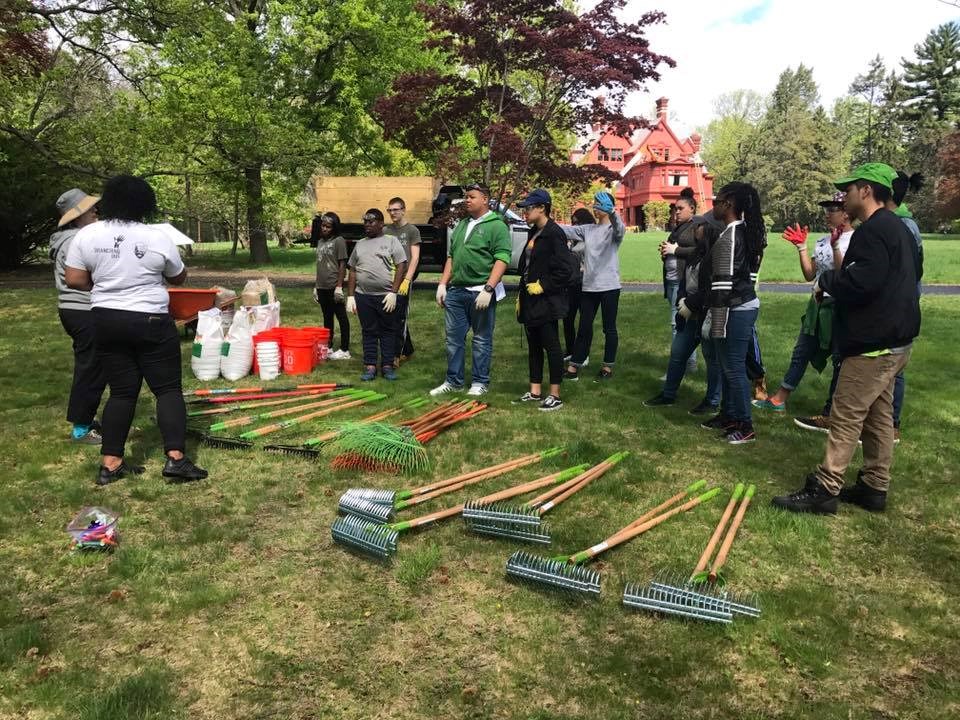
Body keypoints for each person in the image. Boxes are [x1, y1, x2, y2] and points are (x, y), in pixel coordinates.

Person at [772, 164, 921, 514]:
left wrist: (826, 282)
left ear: (867, 191)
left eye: (848, 190)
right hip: (897, 340)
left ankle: (825, 487)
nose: (843, 197)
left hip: (874, 342)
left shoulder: (873, 231)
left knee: (846, 413)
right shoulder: (898, 229)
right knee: (879, 416)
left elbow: (860, 284)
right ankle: (874, 486)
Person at [64, 175, 207, 485]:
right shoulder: (156, 237)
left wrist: (105, 285)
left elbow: (74, 279)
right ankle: (176, 460)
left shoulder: (88, 235)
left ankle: (111, 464)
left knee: (122, 391)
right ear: (145, 205)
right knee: (167, 389)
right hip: (151, 320)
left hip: (106, 319)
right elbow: (179, 278)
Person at [753, 192, 853, 414]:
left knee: (840, 357)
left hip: (840, 308)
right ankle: (779, 400)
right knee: (801, 352)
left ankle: (832, 410)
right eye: (826, 209)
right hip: (816, 306)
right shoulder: (822, 241)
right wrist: (802, 248)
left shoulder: (856, 240)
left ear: (847, 213)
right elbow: (810, 274)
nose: (827, 214)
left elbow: (844, 274)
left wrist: (837, 246)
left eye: (833, 210)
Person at [683, 182, 766, 444]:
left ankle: (745, 424)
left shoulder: (730, 237)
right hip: (739, 305)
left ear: (729, 204)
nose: (713, 206)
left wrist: (713, 326)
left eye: (717, 201)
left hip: (735, 309)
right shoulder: (743, 233)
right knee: (729, 367)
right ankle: (729, 415)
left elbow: (721, 287)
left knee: (733, 369)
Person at [431, 183, 511, 397]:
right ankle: (453, 381)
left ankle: (480, 382)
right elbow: (452, 256)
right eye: (466, 196)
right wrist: (442, 284)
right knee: (453, 339)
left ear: (485, 199)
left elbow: (502, 259)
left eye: (472, 197)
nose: (467, 200)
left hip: (480, 292)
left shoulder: (497, 226)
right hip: (457, 291)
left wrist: (488, 288)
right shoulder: (462, 224)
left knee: (481, 339)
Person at [643, 202, 723, 414]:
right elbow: (683, 280)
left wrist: (690, 303)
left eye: (701, 225)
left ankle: (712, 401)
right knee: (678, 354)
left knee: (712, 360)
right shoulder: (695, 254)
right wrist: (681, 299)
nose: (697, 228)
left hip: (705, 316)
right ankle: (668, 394)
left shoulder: (715, 257)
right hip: (688, 315)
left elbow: (710, 289)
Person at [50, 188, 108, 445]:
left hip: (75, 310)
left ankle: (86, 418)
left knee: (94, 366)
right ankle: (81, 429)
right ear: (76, 217)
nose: (96, 210)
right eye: (89, 209)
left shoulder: (71, 237)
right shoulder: (77, 240)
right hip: (83, 310)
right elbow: (88, 277)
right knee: (91, 369)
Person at [514, 188, 575, 411]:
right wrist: (523, 292)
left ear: (542, 208)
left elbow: (566, 270)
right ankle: (535, 390)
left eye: (529, 208)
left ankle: (555, 394)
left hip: (547, 301)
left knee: (551, 346)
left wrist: (543, 285)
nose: (525, 212)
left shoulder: (554, 233)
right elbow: (528, 265)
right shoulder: (534, 232)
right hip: (530, 299)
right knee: (534, 346)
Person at [560, 191, 623, 382]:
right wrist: (543, 219)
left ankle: (607, 366)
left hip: (609, 286)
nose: (595, 207)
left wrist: (612, 212)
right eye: (595, 203)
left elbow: (619, 228)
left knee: (609, 328)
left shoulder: (614, 229)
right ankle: (574, 366)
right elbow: (564, 230)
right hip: (589, 286)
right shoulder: (587, 229)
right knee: (584, 327)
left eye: (598, 204)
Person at [345, 209, 408, 381]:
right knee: (369, 331)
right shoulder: (360, 244)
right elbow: (352, 271)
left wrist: (394, 292)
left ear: (381, 223)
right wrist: (350, 296)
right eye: (365, 221)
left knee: (388, 330)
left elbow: (401, 266)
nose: (367, 225)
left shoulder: (391, 241)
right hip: (363, 296)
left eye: (371, 221)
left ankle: (387, 365)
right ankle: (370, 365)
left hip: (385, 296)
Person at [661, 188, 699, 374]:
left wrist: (675, 251)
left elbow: (699, 251)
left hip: (682, 282)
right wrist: (665, 253)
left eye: (680, 208)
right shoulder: (677, 228)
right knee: (682, 323)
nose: (676, 211)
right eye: (675, 209)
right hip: (671, 281)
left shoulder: (696, 227)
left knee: (678, 324)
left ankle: (679, 366)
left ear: (692, 209)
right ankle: (689, 364)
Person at [384, 196, 421, 366]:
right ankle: (408, 349)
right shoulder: (385, 231)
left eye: (395, 209)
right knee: (389, 316)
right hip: (388, 278)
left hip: (404, 279)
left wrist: (407, 280)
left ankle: (395, 355)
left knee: (399, 317)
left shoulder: (412, 230)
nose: (392, 213)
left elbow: (414, 258)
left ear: (403, 210)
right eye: (390, 210)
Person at [311, 211, 351, 360]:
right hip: (322, 286)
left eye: (328, 226)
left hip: (334, 286)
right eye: (323, 225)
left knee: (341, 317)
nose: (325, 228)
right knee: (327, 318)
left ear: (334, 227)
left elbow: (342, 264)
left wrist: (339, 286)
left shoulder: (339, 241)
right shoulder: (320, 242)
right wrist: (316, 286)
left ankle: (345, 349)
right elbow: (319, 265)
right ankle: (328, 346)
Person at [562, 208, 593, 362]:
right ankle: (570, 349)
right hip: (571, 282)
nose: (574, 225)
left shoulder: (589, 239)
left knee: (585, 320)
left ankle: (584, 353)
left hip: (585, 283)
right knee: (567, 317)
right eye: (572, 222)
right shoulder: (573, 239)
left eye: (577, 222)